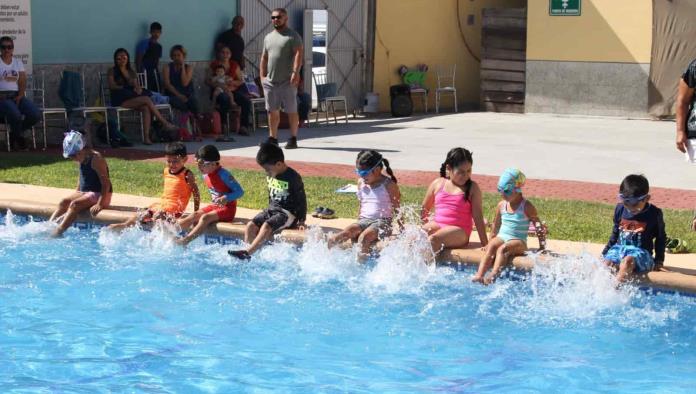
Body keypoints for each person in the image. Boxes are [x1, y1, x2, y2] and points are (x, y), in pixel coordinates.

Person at [228, 142, 306, 259]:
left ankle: (248, 252)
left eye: (268, 169)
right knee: (250, 226)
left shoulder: (293, 177)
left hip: (287, 214)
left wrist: (301, 221)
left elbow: (301, 198)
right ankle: (247, 253)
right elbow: (271, 194)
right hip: (272, 210)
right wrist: (269, 209)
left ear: (279, 164)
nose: (266, 172)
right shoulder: (272, 175)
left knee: (266, 226)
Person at [472, 168, 546, 285]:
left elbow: (538, 226)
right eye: (499, 190)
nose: (502, 194)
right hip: (502, 237)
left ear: (517, 189)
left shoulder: (527, 206)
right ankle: (479, 275)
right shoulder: (501, 205)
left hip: (519, 241)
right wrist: (489, 242)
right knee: (492, 246)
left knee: (503, 249)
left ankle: (493, 275)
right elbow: (496, 226)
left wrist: (542, 246)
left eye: (506, 191)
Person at [108, 142, 200, 230]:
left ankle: (152, 228)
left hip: (176, 208)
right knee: (142, 214)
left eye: (175, 161)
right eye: (169, 161)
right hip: (162, 204)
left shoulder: (187, 174)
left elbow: (196, 192)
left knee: (158, 215)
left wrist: (196, 213)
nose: (172, 164)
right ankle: (125, 225)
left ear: (185, 159)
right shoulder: (166, 171)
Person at [327, 150, 401, 259]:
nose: (362, 176)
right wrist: (357, 224)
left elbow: (397, 208)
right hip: (364, 221)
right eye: (358, 172)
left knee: (363, 238)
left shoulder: (389, 184)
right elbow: (361, 204)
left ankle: (360, 269)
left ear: (377, 170)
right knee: (339, 236)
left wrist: (402, 229)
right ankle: (329, 263)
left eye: (364, 173)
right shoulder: (361, 182)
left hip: (383, 222)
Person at [420, 148, 488, 254]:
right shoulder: (438, 184)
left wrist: (485, 243)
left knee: (433, 240)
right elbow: (424, 209)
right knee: (413, 237)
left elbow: (478, 217)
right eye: (461, 172)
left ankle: (425, 271)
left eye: (469, 171)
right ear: (449, 168)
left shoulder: (472, 188)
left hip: (460, 232)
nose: (466, 175)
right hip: (438, 225)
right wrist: (426, 226)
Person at [602, 174, 666, 283]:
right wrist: (605, 253)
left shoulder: (654, 213)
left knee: (627, 261)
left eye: (635, 203)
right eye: (626, 202)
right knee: (607, 264)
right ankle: (602, 293)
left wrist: (659, 260)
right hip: (619, 249)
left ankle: (615, 292)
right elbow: (615, 232)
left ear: (647, 198)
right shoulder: (620, 209)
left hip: (642, 254)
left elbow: (661, 238)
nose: (631, 207)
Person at [176, 145, 244, 245]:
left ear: (213, 163)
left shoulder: (224, 174)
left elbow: (240, 191)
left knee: (205, 218)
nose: (198, 167)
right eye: (197, 163)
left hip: (227, 209)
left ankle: (186, 240)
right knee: (194, 215)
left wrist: (226, 197)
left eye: (201, 164)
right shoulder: (206, 174)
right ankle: (171, 232)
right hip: (215, 207)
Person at [108, 48, 177, 145]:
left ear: (127, 58)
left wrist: (137, 87)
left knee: (145, 108)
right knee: (146, 99)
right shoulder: (112, 71)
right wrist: (124, 86)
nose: (122, 60)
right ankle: (165, 123)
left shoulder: (131, 71)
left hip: (131, 97)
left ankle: (146, 137)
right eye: (119, 58)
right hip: (119, 99)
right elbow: (112, 86)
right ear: (115, 59)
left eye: (124, 57)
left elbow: (137, 87)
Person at [49, 131, 112, 237]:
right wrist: (77, 191)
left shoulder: (96, 159)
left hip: (100, 194)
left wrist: (100, 203)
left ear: (81, 150)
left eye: (72, 156)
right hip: (86, 192)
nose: (72, 159)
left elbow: (106, 183)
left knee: (75, 205)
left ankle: (58, 232)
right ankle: (48, 226)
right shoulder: (81, 157)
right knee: (64, 202)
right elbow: (81, 176)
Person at [260, 8, 303, 149]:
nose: (275, 20)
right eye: (273, 17)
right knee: (272, 111)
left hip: (287, 81)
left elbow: (298, 54)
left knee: (291, 110)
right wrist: (262, 76)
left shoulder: (293, 36)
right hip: (271, 82)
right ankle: (273, 138)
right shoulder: (268, 37)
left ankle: (293, 138)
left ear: (285, 18)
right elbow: (264, 57)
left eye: (278, 17)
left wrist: (295, 72)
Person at [0, 36, 40, 150]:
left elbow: (22, 80)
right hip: (3, 98)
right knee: (16, 115)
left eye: (9, 47)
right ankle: (19, 139)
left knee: (35, 114)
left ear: (12, 48)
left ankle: (15, 134)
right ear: (0, 49)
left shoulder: (18, 63)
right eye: (4, 47)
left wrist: (21, 94)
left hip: (17, 95)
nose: (7, 50)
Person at [206, 45, 251, 135]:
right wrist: (219, 85)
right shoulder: (214, 65)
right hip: (219, 91)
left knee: (246, 101)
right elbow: (207, 81)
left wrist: (233, 83)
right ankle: (224, 125)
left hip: (233, 90)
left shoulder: (234, 64)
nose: (225, 55)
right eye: (223, 52)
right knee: (224, 98)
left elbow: (240, 81)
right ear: (219, 54)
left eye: (227, 53)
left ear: (230, 54)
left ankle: (243, 127)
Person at [162, 45, 199, 117]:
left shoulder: (189, 67)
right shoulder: (167, 68)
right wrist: (179, 95)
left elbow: (184, 83)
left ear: (183, 56)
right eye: (174, 55)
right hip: (173, 94)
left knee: (193, 101)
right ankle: (188, 117)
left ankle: (195, 119)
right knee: (178, 102)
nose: (176, 58)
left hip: (187, 93)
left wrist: (182, 67)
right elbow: (167, 84)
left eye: (179, 55)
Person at [135, 22, 163, 92]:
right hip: (145, 71)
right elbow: (139, 59)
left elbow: (157, 61)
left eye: (158, 32)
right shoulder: (144, 43)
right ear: (150, 32)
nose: (156, 34)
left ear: (160, 33)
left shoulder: (159, 46)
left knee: (157, 90)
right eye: (154, 32)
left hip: (154, 72)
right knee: (146, 91)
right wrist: (139, 73)